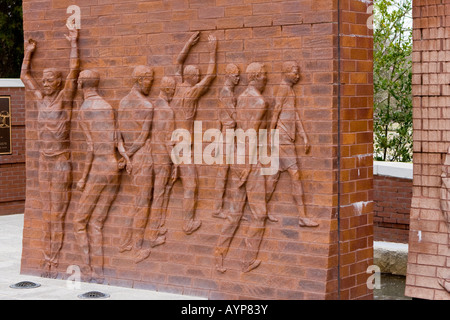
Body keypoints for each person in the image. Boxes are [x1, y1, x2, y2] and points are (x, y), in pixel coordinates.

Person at [20, 27, 80, 278]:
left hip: (61, 161)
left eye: (49, 80)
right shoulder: (40, 98)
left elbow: (74, 70)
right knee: (47, 212)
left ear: (57, 82)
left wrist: (74, 44)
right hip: (45, 161)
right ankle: (47, 258)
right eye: (43, 80)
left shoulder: (64, 99)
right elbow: (24, 76)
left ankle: (55, 257)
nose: (44, 84)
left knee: (58, 211)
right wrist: (28, 53)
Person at [214, 62, 269, 274]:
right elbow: (251, 134)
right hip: (249, 159)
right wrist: (247, 165)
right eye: (263, 74)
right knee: (260, 213)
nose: (265, 78)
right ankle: (247, 259)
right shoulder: (259, 101)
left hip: (237, 156)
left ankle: (219, 255)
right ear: (255, 76)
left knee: (234, 214)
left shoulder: (241, 97)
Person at [73, 70, 120, 283]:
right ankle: (100, 273)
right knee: (97, 222)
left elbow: (91, 147)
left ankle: (88, 270)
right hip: (113, 168)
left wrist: (83, 177)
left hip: (99, 168)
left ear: (81, 83)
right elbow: (117, 139)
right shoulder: (108, 107)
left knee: (79, 221)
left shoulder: (85, 109)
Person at [171, 31, 217, 235]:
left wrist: (188, 44)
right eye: (196, 75)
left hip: (172, 142)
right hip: (181, 147)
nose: (198, 76)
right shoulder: (190, 93)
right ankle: (187, 222)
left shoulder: (176, 88)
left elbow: (177, 62)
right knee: (191, 185)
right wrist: (212, 51)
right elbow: (211, 76)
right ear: (192, 77)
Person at [265, 61, 318, 228]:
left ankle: (261, 209)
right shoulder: (283, 88)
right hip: (282, 139)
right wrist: (270, 136)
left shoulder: (289, 90)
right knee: (295, 175)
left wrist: (303, 136)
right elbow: (276, 112)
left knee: (273, 177)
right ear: (286, 72)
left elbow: (293, 115)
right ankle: (302, 216)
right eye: (295, 72)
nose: (298, 76)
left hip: (286, 139)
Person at [117, 65, 156, 263]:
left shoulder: (123, 102)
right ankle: (137, 247)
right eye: (149, 79)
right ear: (140, 79)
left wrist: (124, 157)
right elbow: (143, 138)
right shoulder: (147, 106)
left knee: (135, 202)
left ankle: (124, 242)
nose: (151, 83)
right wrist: (130, 156)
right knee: (142, 203)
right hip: (142, 157)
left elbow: (118, 137)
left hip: (131, 159)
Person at [212, 64, 240, 219]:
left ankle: (233, 208)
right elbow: (233, 115)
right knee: (223, 173)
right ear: (229, 75)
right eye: (235, 76)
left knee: (232, 172)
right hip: (228, 135)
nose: (238, 79)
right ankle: (217, 209)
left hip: (229, 135)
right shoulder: (225, 92)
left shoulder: (227, 92)